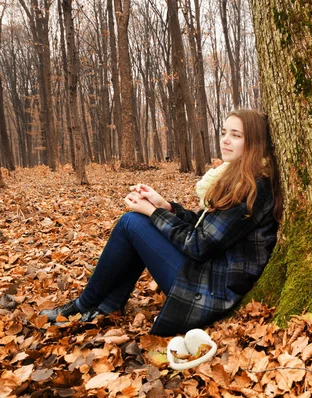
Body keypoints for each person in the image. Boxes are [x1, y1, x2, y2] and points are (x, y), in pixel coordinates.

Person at [41, 109, 282, 336]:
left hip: (212, 292)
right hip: (210, 276)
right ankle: (107, 305)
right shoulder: (241, 178)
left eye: (236, 135)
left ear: (254, 143)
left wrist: (152, 212)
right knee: (136, 224)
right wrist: (165, 206)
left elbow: (198, 245)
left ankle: (84, 305)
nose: (225, 140)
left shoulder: (252, 188)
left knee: (132, 223)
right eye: (224, 133)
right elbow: (204, 225)